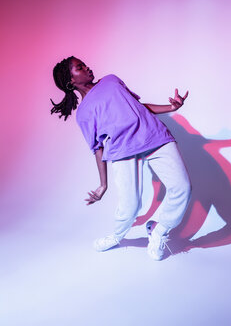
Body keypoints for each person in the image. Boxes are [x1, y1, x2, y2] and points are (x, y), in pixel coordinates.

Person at [50, 56, 192, 261]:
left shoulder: (111, 80)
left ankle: (159, 230)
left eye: (84, 64)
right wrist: (102, 185)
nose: (86, 67)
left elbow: (140, 107)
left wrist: (172, 108)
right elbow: (97, 147)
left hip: (154, 136)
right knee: (130, 206)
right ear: (70, 81)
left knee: (182, 188)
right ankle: (117, 236)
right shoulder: (83, 113)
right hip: (122, 151)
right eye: (79, 67)